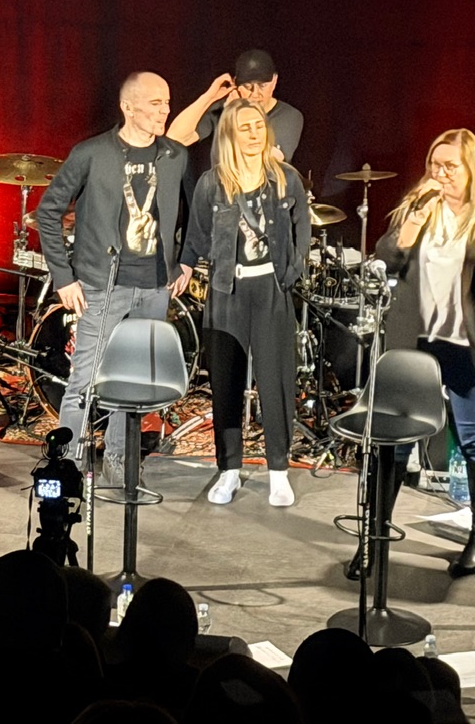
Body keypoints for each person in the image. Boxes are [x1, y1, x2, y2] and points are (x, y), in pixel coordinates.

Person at [372, 128, 475, 577]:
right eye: (434, 165)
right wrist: (410, 227)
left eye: (450, 167)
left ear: (471, 169)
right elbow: (386, 259)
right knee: (396, 442)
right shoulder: (419, 207)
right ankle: (375, 537)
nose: (440, 174)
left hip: (471, 345)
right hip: (417, 344)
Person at [34, 72, 190, 484]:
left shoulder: (174, 156)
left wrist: (186, 261)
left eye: (167, 102)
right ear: (128, 107)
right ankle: (66, 465)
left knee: (133, 382)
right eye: (155, 103)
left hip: (154, 286)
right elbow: (47, 212)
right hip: (102, 285)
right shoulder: (91, 153)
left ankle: (119, 463)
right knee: (84, 381)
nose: (165, 111)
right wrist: (63, 277)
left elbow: (191, 214)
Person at [179, 99, 309, 507]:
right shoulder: (211, 184)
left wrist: (291, 273)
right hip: (227, 291)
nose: (254, 134)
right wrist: (183, 267)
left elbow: (302, 229)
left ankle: (278, 473)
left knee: (276, 381)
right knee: (226, 382)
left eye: (258, 126)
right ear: (230, 135)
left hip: (271, 289)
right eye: (245, 127)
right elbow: (196, 236)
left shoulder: (286, 179)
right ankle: (229, 470)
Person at [165, 49, 305, 164]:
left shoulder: (288, 116)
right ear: (235, 84)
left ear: (274, 81)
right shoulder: (222, 109)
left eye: (263, 86)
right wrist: (209, 97)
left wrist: (233, 118)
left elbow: (263, 162)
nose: (255, 94)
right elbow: (175, 138)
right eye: (248, 87)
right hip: (220, 188)